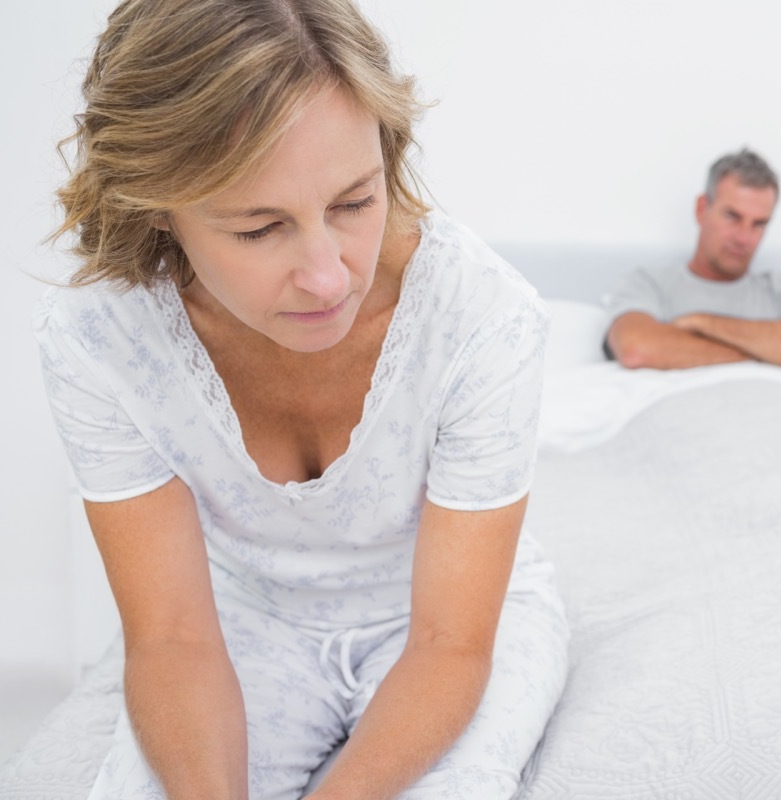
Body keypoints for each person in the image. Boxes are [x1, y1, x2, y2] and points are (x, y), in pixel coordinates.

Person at [34, 1, 567, 798]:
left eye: (355, 202)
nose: (328, 277)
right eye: (259, 228)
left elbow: (450, 642)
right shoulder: (101, 341)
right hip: (249, 614)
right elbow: (173, 636)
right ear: (157, 208)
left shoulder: (484, 319)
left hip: (449, 626)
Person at [604, 149, 781, 372]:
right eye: (732, 217)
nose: (744, 238)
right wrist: (776, 351)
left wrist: (700, 323)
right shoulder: (649, 283)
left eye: (759, 224)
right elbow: (636, 348)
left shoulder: (780, 289)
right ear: (702, 209)